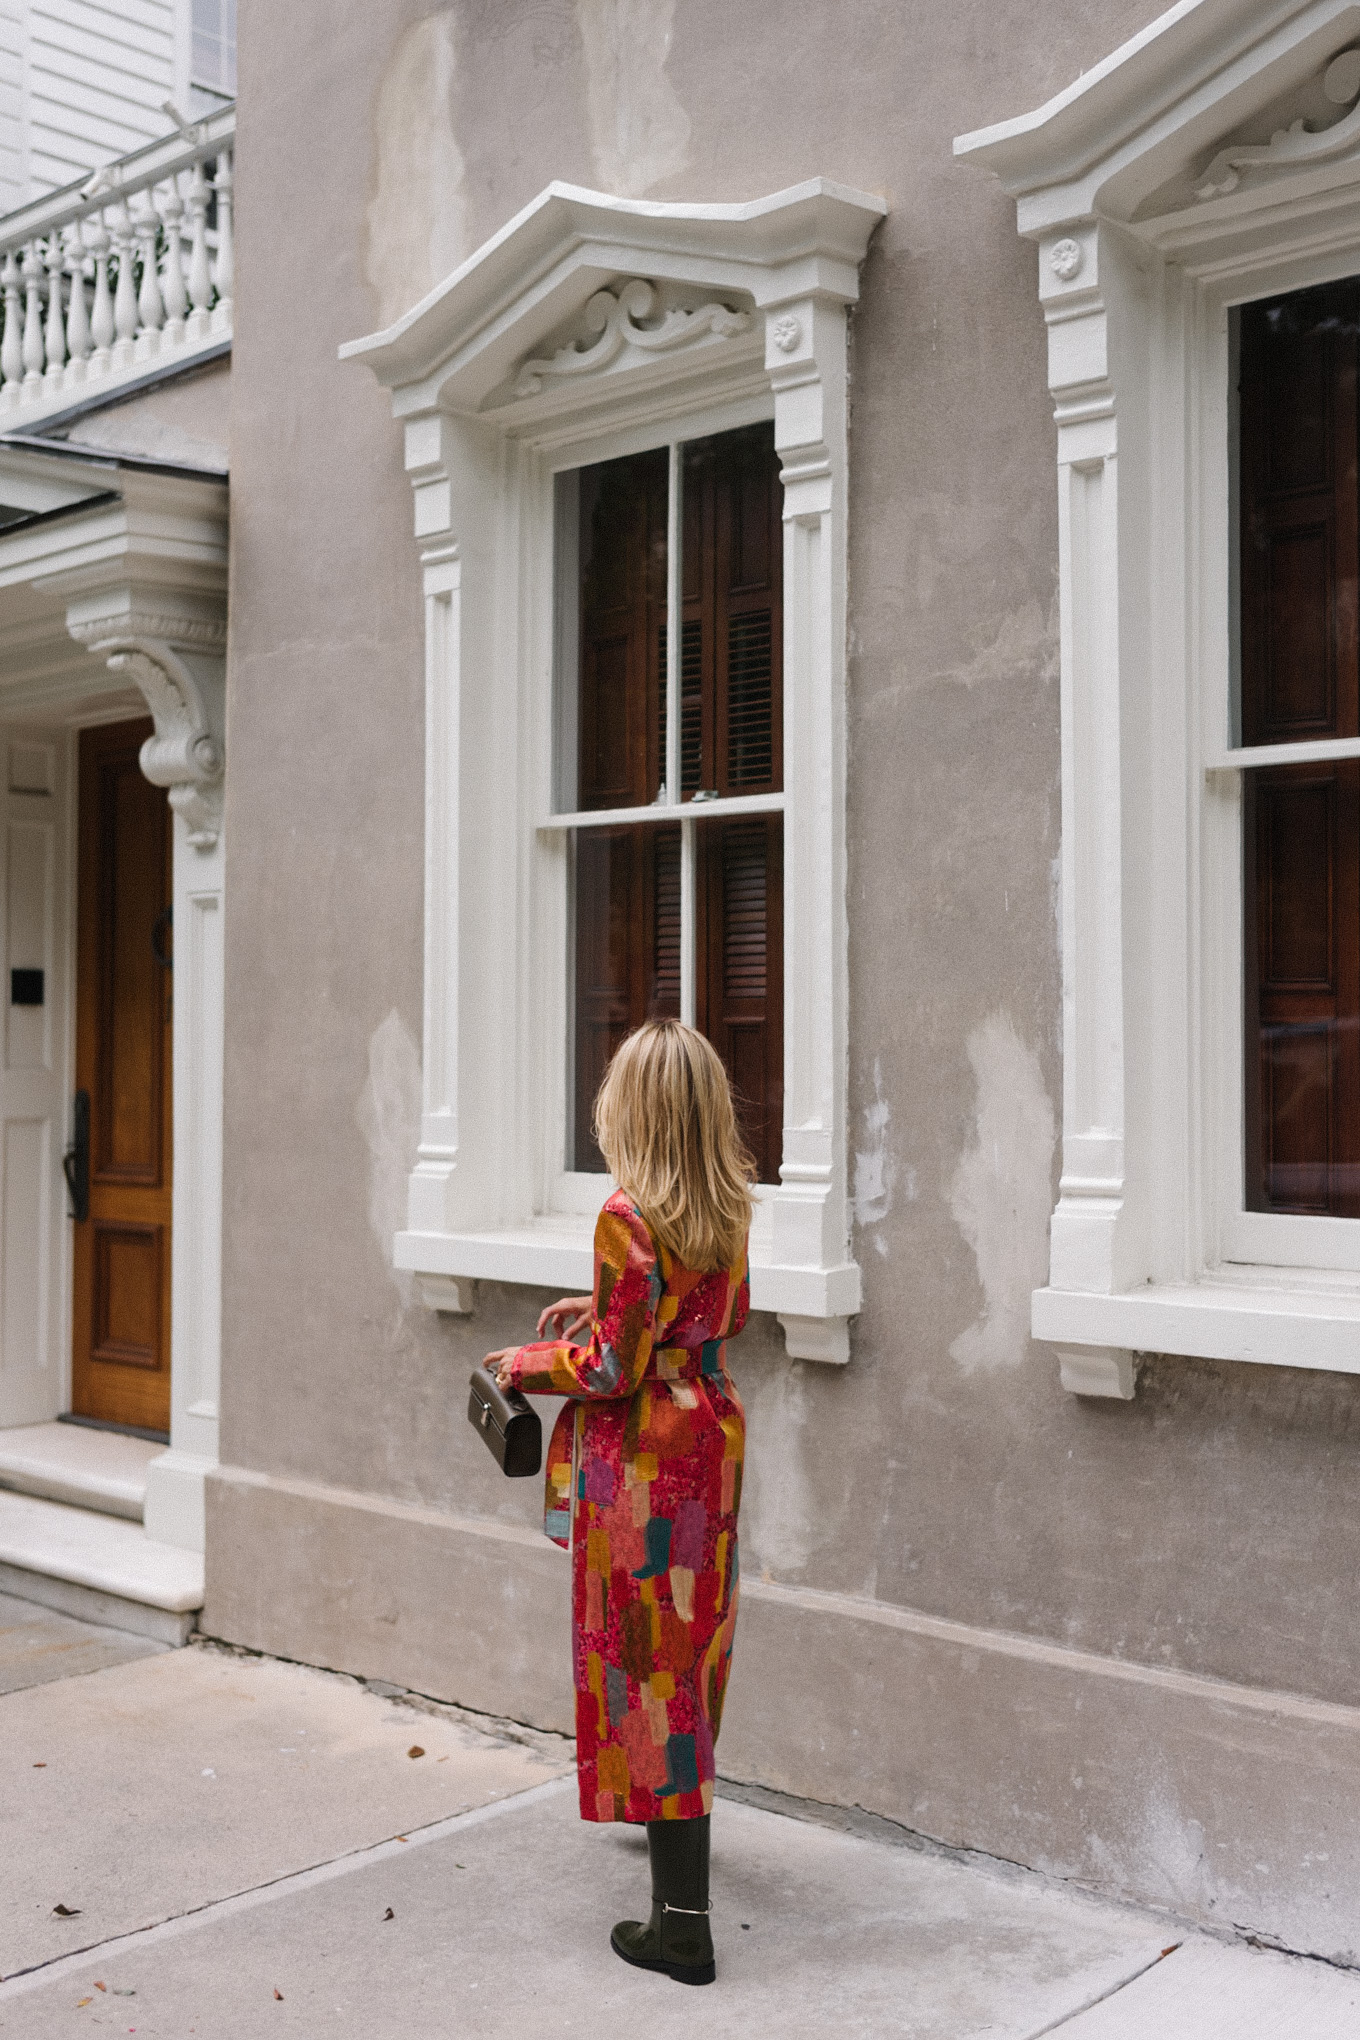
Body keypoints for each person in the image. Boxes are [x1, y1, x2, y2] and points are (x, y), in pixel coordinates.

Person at [484, 1018, 752, 1987]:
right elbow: (682, 1322)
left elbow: (610, 1365)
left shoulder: (627, 1217)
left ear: (633, 1114)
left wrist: (522, 1359)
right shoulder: (726, 1208)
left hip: (642, 1464)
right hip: (707, 1446)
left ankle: (681, 1926)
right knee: (691, 1651)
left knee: (646, 1670)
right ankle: (666, 1830)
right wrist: (594, 1309)